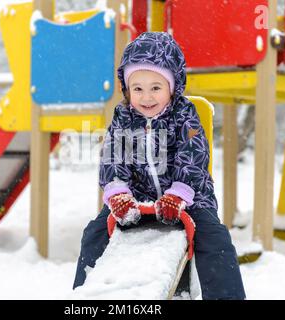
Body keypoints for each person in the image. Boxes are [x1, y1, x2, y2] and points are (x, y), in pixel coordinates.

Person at [73, 32, 246, 300]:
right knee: (94, 234)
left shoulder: (185, 116)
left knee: (215, 239)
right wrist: (118, 193)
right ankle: (88, 297)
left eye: (156, 87)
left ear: (172, 87)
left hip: (189, 200)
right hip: (135, 201)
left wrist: (178, 194)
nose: (146, 97)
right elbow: (112, 157)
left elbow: (194, 155)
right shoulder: (123, 118)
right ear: (127, 89)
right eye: (138, 88)